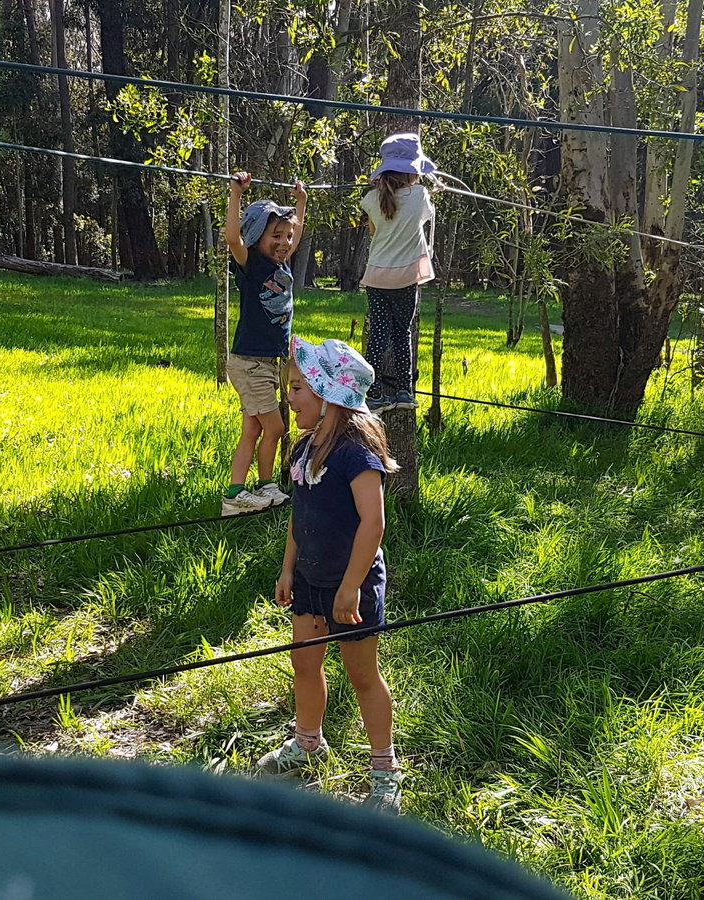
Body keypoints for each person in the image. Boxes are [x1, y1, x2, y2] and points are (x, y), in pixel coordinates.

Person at [257, 335, 403, 814]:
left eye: (298, 388)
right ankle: (308, 742)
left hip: (351, 586)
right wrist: (287, 569)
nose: (289, 397)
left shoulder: (356, 455)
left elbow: (373, 523)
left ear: (328, 396)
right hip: (309, 581)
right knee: (304, 663)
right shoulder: (302, 450)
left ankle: (385, 772)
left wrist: (348, 589)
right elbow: (300, 517)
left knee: (362, 676)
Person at [221, 172, 307, 516]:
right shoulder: (252, 264)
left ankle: (240, 492)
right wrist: (236, 194)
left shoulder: (281, 264)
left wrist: (300, 202)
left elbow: (297, 233)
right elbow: (231, 237)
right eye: (276, 236)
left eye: (286, 236)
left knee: (253, 429)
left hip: (266, 362)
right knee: (276, 427)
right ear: (257, 238)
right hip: (250, 361)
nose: (285, 242)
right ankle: (260, 486)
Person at [359, 133, 436, 413]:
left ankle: (374, 391)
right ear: (412, 172)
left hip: (377, 277)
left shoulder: (371, 199)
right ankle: (405, 391)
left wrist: (376, 188)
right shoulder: (420, 195)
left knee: (379, 336)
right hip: (405, 278)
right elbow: (425, 213)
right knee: (401, 333)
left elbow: (372, 229)